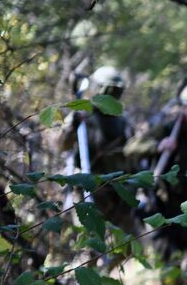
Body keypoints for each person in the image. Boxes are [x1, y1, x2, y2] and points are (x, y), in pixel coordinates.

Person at [126, 80, 187, 283]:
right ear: (185, 109)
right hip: (167, 211)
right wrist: (158, 146)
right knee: (168, 264)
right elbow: (131, 148)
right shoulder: (168, 130)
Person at [54, 65, 137, 232]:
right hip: (87, 189)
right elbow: (61, 145)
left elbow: (132, 158)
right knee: (88, 239)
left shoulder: (123, 122)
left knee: (126, 245)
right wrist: (73, 124)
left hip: (117, 192)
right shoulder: (82, 116)